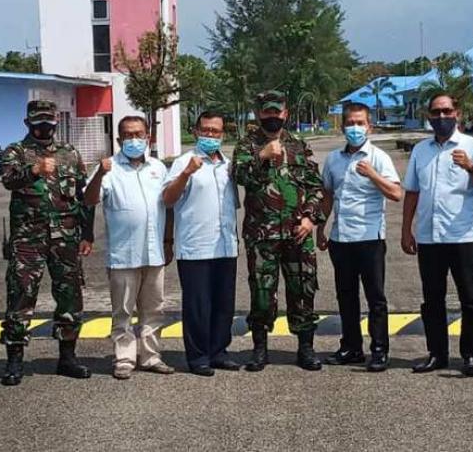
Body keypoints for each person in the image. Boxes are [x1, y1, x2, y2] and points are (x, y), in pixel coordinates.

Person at [0, 100, 94, 386]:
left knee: (69, 295)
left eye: (48, 121)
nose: (44, 126)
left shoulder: (69, 153)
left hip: (65, 238)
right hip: (28, 239)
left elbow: (83, 195)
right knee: (21, 295)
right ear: (27, 122)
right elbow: (8, 181)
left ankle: (67, 357)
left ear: (56, 121)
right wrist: (34, 170)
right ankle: (15, 360)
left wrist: (87, 234)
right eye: (38, 121)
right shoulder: (16, 151)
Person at [401, 93, 473, 377]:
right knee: (432, 299)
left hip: (463, 235)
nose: (441, 117)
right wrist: (406, 229)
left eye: (446, 111)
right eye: (436, 112)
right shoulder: (421, 150)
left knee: (470, 299)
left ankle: (470, 356)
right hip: (430, 237)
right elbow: (413, 192)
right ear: (429, 116)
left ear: (457, 112)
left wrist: (470, 166)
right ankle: (437, 353)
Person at [231, 90, 326, 372]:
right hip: (262, 235)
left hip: (298, 234)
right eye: (267, 112)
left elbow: (316, 187)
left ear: (285, 114)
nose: (272, 116)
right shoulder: (247, 145)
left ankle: (306, 348)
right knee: (262, 292)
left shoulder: (299, 145)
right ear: (259, 113)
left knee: (303, 289)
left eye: (277, 112)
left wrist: (310, 219)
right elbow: (239, 177)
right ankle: (260, 349)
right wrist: (261, 155)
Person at [85, 115, 175, 380]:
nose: (133, 139)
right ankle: (124, 358)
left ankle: (150, 356)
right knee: (122, 310)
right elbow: (90, 200)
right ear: (118, 139)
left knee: (154, 308)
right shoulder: (109, 168)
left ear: (148, 137)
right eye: (127, 135)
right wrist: (100, 173)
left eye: (138, 134)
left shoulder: (158, 168)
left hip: (154, 252)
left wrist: (168, 241)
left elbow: (167, 207)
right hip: (123, 254)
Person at [317, 102, 401, 372]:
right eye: (350, 123)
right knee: (346, 296)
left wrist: (372, 174)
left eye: (360, 123)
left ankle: (379, 350)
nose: (355, 128)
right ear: (342, 127)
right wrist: (321, 227)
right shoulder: (333, 159)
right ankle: (351, 346)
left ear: (369, 126)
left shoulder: (378, 157)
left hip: (370, 238)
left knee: (375, 297)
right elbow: (328, 195)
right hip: (341, 238)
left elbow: (396, 193)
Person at [163, 111, 239, 377]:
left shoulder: (228, 165)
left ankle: (219, 351)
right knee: (198, 305)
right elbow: (168, 199)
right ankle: (198, 357)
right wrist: (186, 174)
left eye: (215, 131)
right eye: (205, 130)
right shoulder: (184, 162)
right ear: (195, 132)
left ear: (222, 134)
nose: (210, 135)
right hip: (195, 246)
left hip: (226, 244)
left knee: (223, 303)